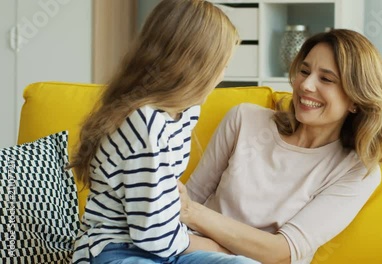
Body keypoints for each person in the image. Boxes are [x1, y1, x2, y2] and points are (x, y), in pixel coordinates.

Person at [179, 29, 382, 264]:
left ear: (356, 100)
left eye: (326, 79)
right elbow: (188, 201)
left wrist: (194, 216)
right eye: (304, 71)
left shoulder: (356, 172)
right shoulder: (244, 119)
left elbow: (280, 252)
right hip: (188, 254)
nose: (305, 84)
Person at [68, 0, 257, 263]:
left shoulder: (185, 110)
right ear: (195, 66)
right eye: (221, 65)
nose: (222, 75)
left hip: (166, 246)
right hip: (117, 250)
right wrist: (215, 247)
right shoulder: (143, 123)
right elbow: (153, 235)